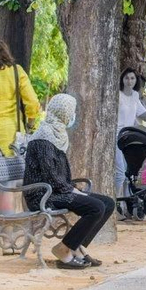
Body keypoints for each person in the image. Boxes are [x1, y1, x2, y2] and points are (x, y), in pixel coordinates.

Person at [23, 93, 115, 270]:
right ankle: (63, 249)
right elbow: (50, 176)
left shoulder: (57, 135)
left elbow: (59, 175)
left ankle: (77, 245)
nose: (73, 116)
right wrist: (72, 190)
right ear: (63, 112)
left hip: (57, 190)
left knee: (107, 203)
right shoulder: (43, 137)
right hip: (43, 195)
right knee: (96, 207)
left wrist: (71, 188)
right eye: (71, 111)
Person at [116, 68, 146, 192]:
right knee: (120, 173)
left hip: (129, 137)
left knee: (128, 174)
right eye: (126, 78)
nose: (129, 81)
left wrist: (145, 102)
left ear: (136, 81)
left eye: (132, 78)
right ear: (122, 79)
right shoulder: (117, 94)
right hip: (117, 136)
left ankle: (125, 206)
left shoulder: (135, 96)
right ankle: (115, 202)